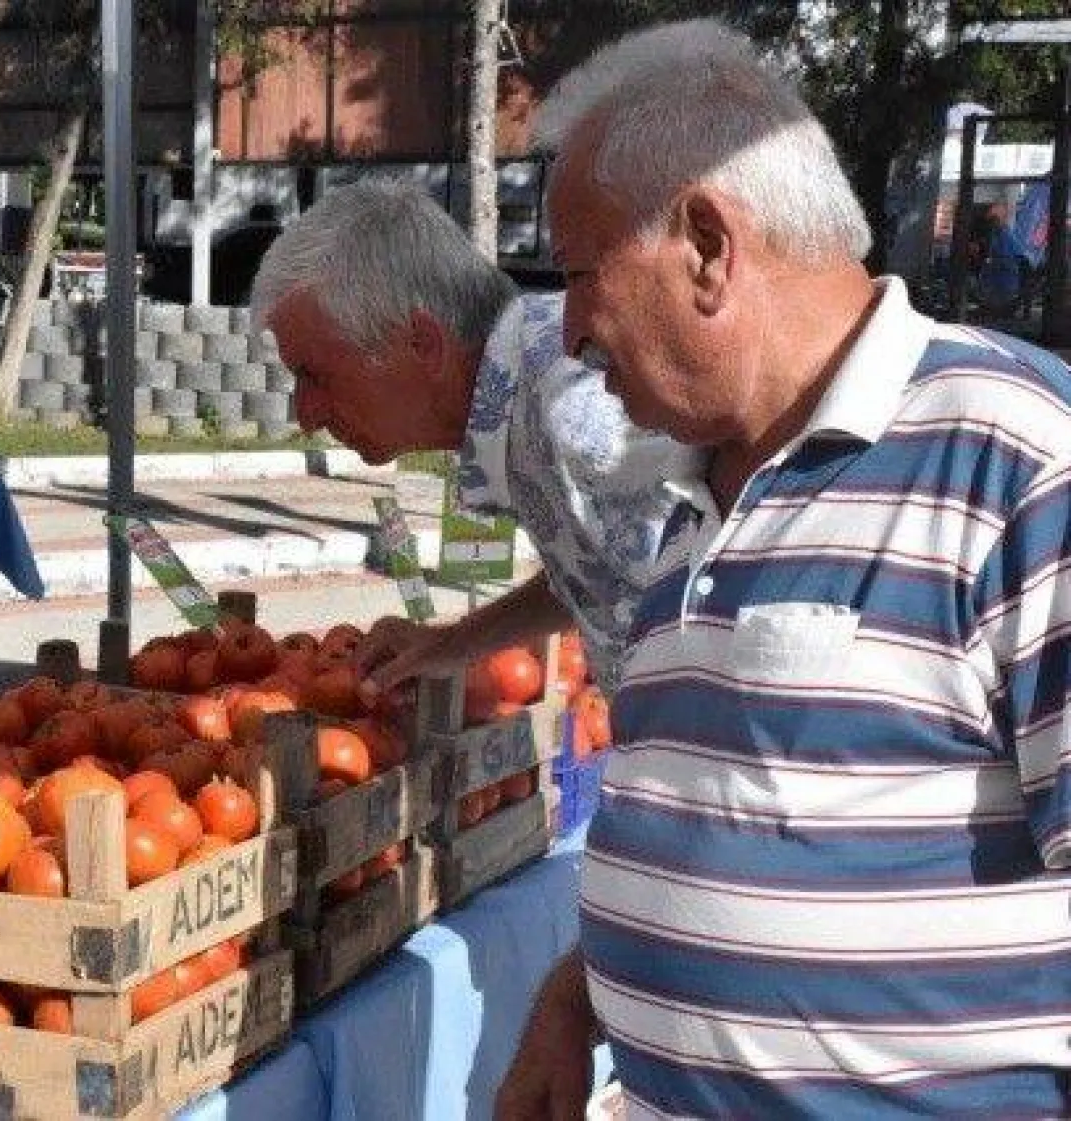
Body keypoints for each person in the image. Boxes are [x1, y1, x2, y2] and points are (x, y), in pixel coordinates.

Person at [497, 19, 1071, 1119]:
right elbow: (729, 838)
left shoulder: (1016, 456)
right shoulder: (688, 502)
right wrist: (580, 993)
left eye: (578, 272)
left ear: (706, 244)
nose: (567, 330)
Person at [248, 180, 692, 699]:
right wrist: (455, 643)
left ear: (423, 343)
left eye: (314, 375)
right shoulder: (530, 392)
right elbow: (601, 569)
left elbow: (700, 610)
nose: (306, 415)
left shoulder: (573, 408)